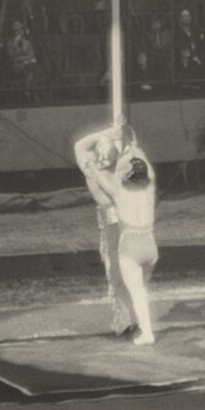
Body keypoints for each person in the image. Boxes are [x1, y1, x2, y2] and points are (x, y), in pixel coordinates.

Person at [84, 126, 158, 347]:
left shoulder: (118, 191)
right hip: (150, 244)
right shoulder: (150, 187)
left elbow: (98, 175)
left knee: (137, 292)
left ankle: (146, 332)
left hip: (131, 245)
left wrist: (91, 159)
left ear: (125, 175)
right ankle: (141, 324)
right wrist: (133, 147)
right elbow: (146, 166)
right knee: (141, 290)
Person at [74, 123, 137, 339]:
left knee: (117, 274)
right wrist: (111, 134)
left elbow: (80, 146)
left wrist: (110, 135)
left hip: (117, 225)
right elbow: (80, 146)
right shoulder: (108, 170)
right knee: (122, 273)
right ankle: (128, 316)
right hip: (119, 223)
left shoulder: (100, 172)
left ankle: (126, 318)